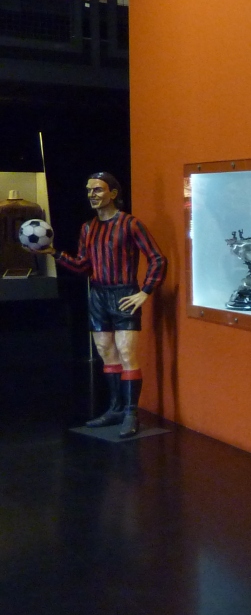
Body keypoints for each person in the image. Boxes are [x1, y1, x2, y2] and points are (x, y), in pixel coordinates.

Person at [51, 172, 167, 438]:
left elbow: (157, 258)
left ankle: (131, 413)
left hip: (124, 293)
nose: (92, 195)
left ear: (113, 193)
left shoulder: (130, 224)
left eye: (98, 190)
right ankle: (115, 408)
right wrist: (54, 253)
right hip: (98, 294)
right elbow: (83, 266)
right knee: (106, 350)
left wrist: (145, 291)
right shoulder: (88, 228)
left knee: (127, 352)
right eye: (89, 190)